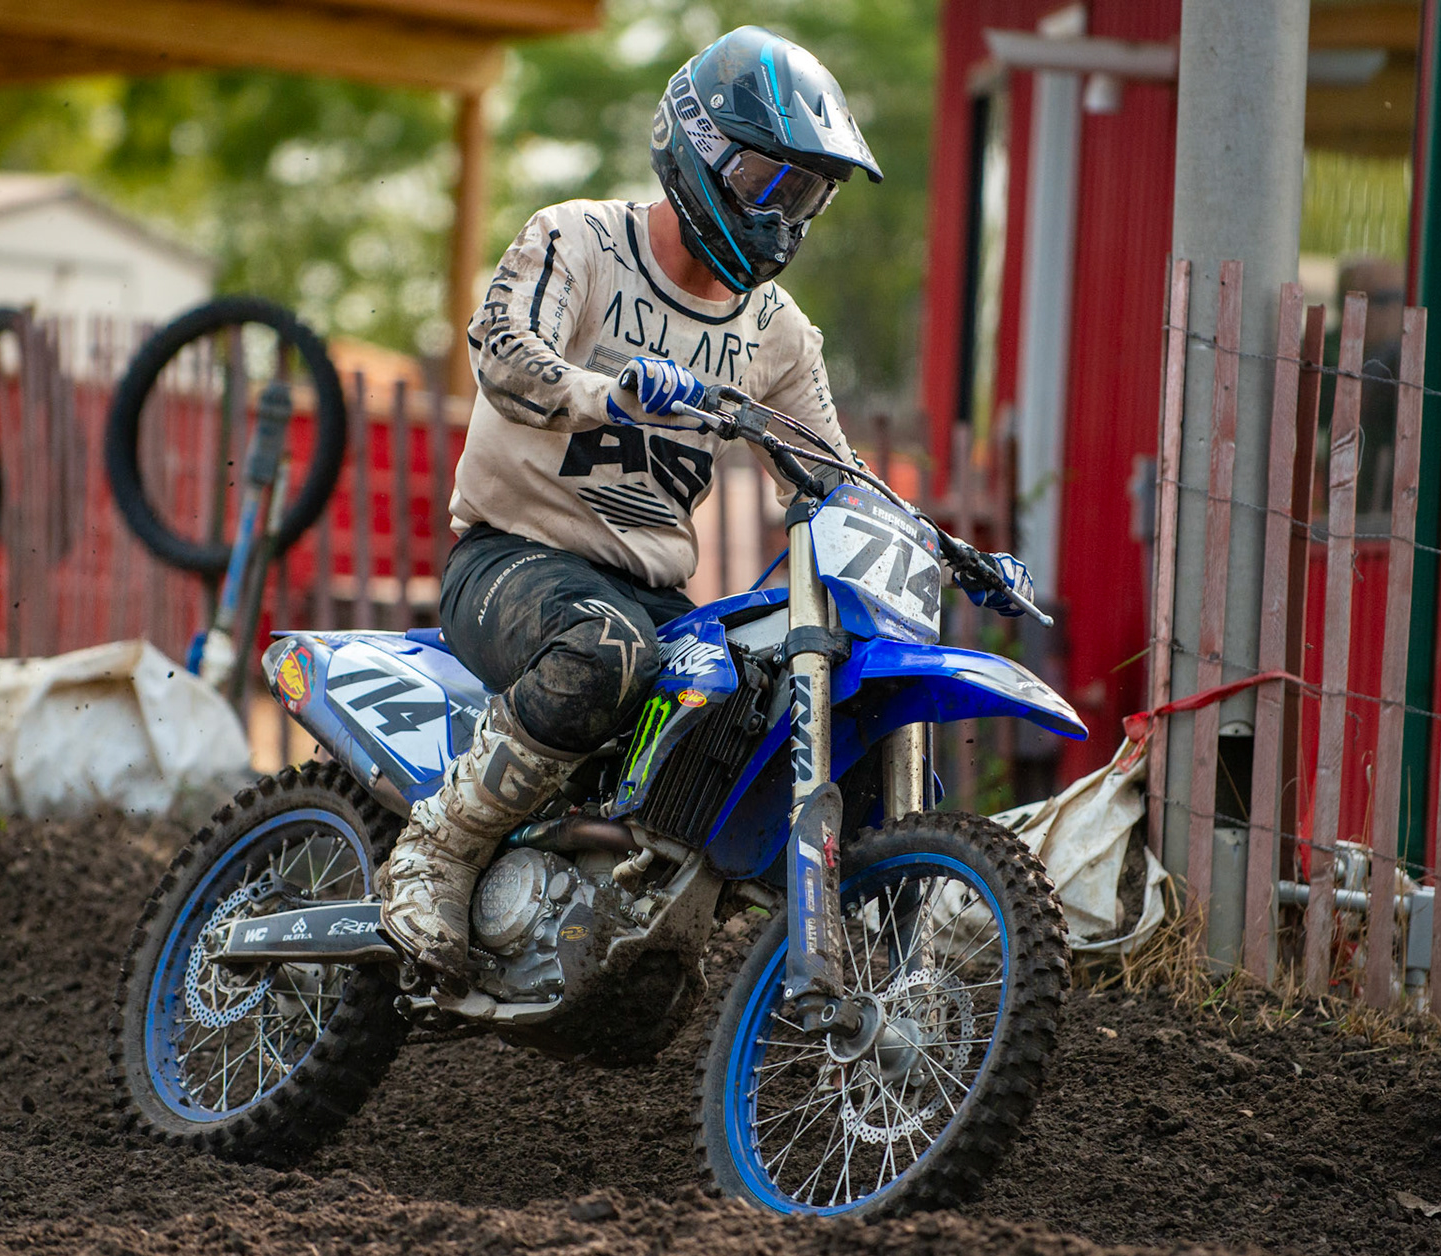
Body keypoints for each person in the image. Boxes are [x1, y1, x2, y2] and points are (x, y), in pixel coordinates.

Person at [379, 26, 1032, 979]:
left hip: (652, 594)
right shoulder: (579, 239)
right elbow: (502, 351)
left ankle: (864, 958)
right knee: (608, 649)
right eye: (771, 181)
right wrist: (607, 392)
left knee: (755, 697)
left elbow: (830, 474)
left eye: (807, 195)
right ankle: (435, 850)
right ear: (700, 149)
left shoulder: (776, 332)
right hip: (511, 561)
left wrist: (941, 547)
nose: (784, 214)